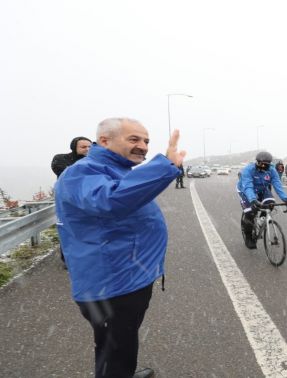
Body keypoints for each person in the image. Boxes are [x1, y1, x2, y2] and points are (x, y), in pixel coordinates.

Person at [55, 117, 186, 378]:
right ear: (104, 141)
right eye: (134, 139)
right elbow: (111, 200)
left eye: (146, 141)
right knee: (115, 349)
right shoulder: (82, 172)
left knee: (118, 345)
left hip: (125, 277)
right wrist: (165, 166)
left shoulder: (116, 170)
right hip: (112, 283)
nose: (143, 146)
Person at [237, 151, 287, 249]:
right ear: (257, 162)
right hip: (245, 190)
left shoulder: (271, 170)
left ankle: (261, 220)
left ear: (269, 164)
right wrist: (253, 200)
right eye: (260, 164)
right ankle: (249, 237)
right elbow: (248, 186)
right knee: (250, 213)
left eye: (265, 165)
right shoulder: (248, 170)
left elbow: (277, 185)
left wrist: (286, 199)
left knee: (270, 204)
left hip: (262, 189)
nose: (262, 167)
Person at [51, 136, 92, 268]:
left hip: (86, 200)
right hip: (67, 202)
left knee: (88, 230)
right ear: (74, 148)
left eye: (90, 146)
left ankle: (87, 258)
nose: (87, 149)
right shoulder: (61, 159)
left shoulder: (94, 161)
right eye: (83, 147)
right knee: (68, 231)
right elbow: (69, 174)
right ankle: (68, 260)